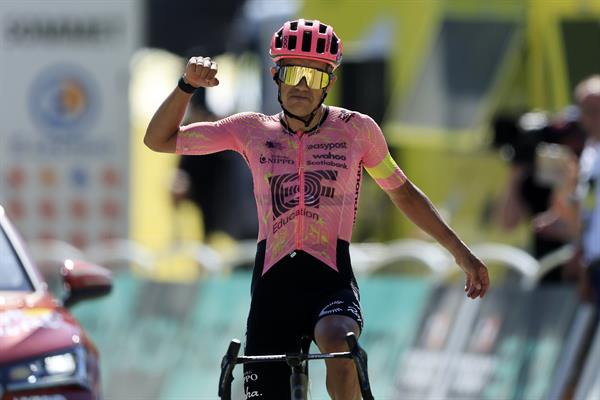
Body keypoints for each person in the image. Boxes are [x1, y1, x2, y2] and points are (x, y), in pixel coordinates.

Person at [144, 19, 490, 400]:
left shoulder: (357, 131)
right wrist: (186, 86)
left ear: (329, 81)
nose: (302, 85)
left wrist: (462, 253)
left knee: (339, 345)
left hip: (330, 281)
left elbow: (404, 194)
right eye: (293, 72)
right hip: (272, 288)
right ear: (276, 75)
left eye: (314, 74)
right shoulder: (250, 130)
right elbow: (158, 139)